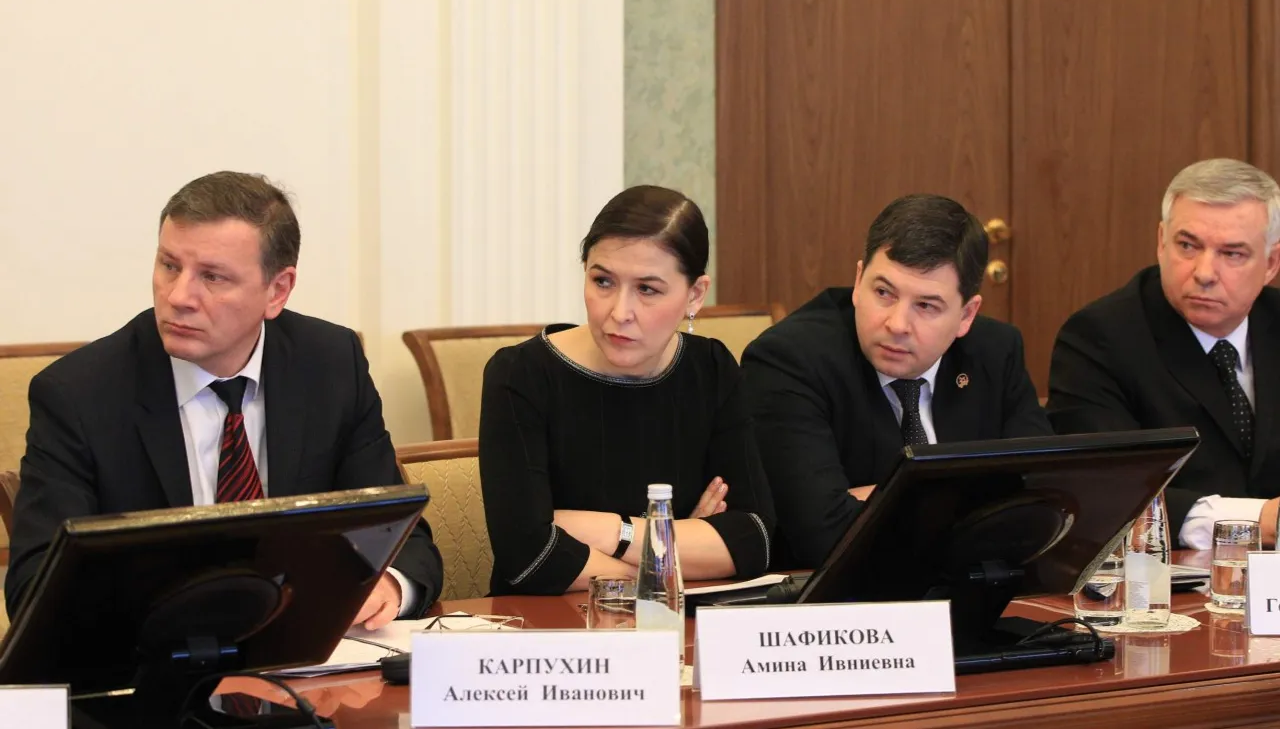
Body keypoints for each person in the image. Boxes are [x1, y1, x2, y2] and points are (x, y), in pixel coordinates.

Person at [5, 171, 443, 624]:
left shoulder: (331, 365)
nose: (178, 296)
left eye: (212, 277)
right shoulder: (80, 395)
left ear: (277, 290)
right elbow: (35, 588)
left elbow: (400, 537)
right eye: (169, 266)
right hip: (152, 657)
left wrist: (388, 585)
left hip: (309, 657)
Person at [478, 185, 775, 595]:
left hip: (675, 625)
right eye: (603, 281)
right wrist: (674, 548)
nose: (619, 313)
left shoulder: (711, 368)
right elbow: (530, 557)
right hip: (546, 625)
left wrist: (611, 533)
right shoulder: (520, 374)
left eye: (647, 289)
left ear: (695, 295)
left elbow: (754, 541)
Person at [742, 194, 1050, 569]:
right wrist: (975, 503)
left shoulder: (995, 351)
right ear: (858, 281)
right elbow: (826, 535)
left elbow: (1044, 501)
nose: (897, 324)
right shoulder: (789, 359)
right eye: (883, 292)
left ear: (966, 315)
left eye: (926, 306)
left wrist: (880, 501)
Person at [1047, 158, 1280, 549]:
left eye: (1232, 254)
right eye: (1188, 246)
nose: (1204, 272)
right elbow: (1103, 487)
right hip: (1167, 572)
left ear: (1271, 263)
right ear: (1161, 241)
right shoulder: (1100, 338)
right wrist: (1255, 521)